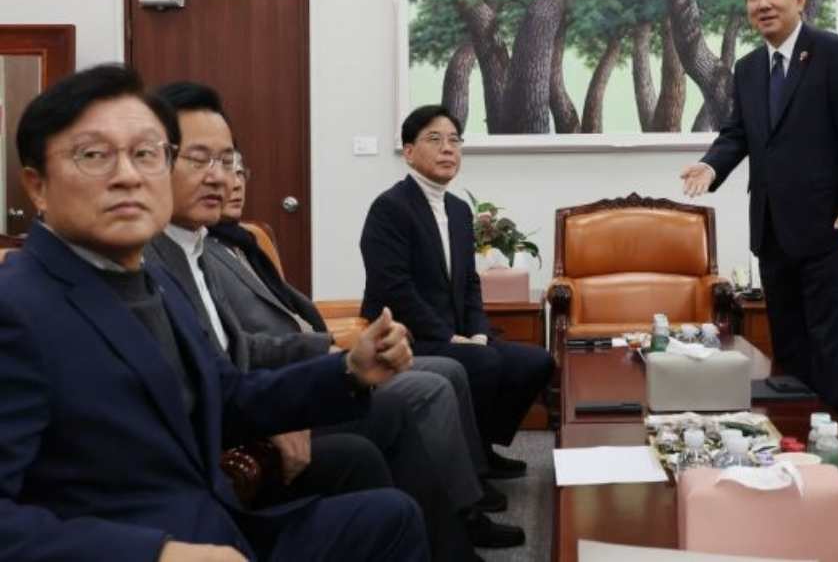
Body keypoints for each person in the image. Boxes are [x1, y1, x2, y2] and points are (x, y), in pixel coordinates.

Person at [0, 64, 427, 562]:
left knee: (391, 517)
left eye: (146, 153)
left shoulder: (153, 278)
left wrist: (350, 372)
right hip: (152, 545)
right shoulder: (17, 309)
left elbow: (227, 398)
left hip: (221, 525)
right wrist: (157, 555)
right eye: (94, 155)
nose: (128, 176)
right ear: (37, 186)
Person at [143, 83, 520, 561]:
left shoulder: (199, 247)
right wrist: (292, 398)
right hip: (224, 452)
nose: (223, 178)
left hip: (269, 392)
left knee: (441, 386)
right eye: (200, 160)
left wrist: (339, 358)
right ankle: (456, 527)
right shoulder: (153, 260)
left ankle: (454, 531)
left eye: (230, 162)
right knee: (426, 394)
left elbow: (236, 349)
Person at [681, 0, 838, 418]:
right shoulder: (748, 67)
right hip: (771, 230)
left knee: (831, 344)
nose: (763, 4)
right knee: (787, 344)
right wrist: (711, 167)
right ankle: (795, 437)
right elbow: (739, 133)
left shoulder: (834, 52)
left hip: (829, 227)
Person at [360, 105, 554, 473]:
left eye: (454, 140)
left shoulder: (458, 210)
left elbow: (469, 284)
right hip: (409, 336)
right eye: (434, 139)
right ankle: (470, 470)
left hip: (459, 335)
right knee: (483, 363)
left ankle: (480, 448)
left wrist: (478, 331)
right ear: (409, 152)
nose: (448, 148)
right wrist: (450, 336)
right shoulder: (390, 208)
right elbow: (394, 290)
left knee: (536, 362)